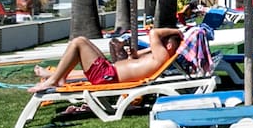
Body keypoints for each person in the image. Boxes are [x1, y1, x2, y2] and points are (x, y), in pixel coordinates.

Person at [30, 28, 184, 93]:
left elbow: (154, 32)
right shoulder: (159, 57)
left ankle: (54, 79)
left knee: (78, 42)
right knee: (82, 40)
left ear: (168, 45)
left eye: (163, 43)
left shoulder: (163, 56)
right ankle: (60, 77)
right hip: (109, 72)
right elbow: (137, 62)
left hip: (107, 75)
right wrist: (135, 54)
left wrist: (176, 31)